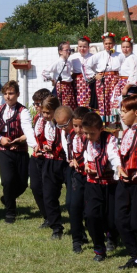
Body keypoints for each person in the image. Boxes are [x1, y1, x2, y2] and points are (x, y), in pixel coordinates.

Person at [0, 80, 35, 224]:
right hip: (3, 150)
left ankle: (7, 198)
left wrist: (28, 141)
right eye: (5, 94)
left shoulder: (23, 111)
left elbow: (28, 129)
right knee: (8, 181)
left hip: (20, 151)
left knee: (22, 183)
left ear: (18, 94)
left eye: (11, 93)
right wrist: (0, 139)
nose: (8, 97)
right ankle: (10, 212)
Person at [115, 94, 137, 270]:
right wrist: (119, 168)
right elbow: (121, 155)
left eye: (124, 111)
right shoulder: (127, 131)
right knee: (120, 219)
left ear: (136, 112)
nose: (121, 115)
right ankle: (136, 257)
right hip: (124, 181)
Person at [80, 111, 121, 262]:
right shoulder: (86, 140)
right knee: (91, 215)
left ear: (101, 130)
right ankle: (99, 249)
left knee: (111, 217)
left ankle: (112, 235)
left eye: (92, 133)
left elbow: (114, 156)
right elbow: (86, 155)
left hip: (109, 184)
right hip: (93, 184)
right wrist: (86, 165)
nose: (89, 137)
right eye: (86, 133)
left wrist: (117, 168)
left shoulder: (110, 140)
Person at [31, 96, 66, 240]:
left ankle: (81, 228)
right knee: (49, 195)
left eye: (48, 112)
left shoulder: (62, 124)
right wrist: (44, 145)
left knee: (72, 199)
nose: (45, 115)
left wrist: (52, 148)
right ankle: (56, 227)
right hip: (49, 161)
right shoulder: (43, 123)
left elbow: (64, 143)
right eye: (44, 112)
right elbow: (43, 138)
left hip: (63, 162)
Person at [62, 106, 90, 253]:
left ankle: (108, 236)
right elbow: (71, 152)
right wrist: (72, 160)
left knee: (91, 210)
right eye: (76, 126)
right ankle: (76, 240)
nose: (79, 130)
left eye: (81, 126)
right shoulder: (71, 135)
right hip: (77, 175)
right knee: (73, 205)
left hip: (91, 176)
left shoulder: (93, 136)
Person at [27, 89, 52, 226]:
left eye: (38, 104)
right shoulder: (36, 117)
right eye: (35, 104)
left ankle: (52, 216)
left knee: (48, 189)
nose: (36, 107)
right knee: (35, 187)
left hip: (48, 158)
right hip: (36, 156)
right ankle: (46, 215)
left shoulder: (52, 118)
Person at [93, 32, 123, 124]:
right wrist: (95, 75)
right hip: (103, 80)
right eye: (106, 43)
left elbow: (124, 67)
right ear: (103, 44)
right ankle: (104, 123)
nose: (108, 45)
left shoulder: (119, 55)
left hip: (115, 80)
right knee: (103, 101)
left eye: (110, 43)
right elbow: (87, 65)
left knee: (114, 100)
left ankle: (115, 123)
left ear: (114, 44)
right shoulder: (99, 55)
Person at [44, 42, 76, 107]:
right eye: (67, 50)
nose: (69, 52)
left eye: (69, 50)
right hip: (61, 86)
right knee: (63, 106)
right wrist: (52, 80)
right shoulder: (57, 62)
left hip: (69, 86)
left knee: (71, 106)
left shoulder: (69, 61)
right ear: (60, 51)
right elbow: (45, 72)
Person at [70, 36, 97, 109]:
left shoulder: (93, 57)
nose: (82, 49)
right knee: (77, 100)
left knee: (88, 99)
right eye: (80, 46)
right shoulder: (73, 57)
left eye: (84, 47)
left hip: (89, 81)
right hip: (77, 82)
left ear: (88, 47)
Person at [115, 36, 137, 103]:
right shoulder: (124, 57)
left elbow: (134, 72)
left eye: (127, 47)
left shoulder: (133, 58)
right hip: (122, 82)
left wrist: (126, 87)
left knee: (130, 103)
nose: (125, 49)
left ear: (132, 48)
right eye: (123, 47)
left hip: (130, 85)